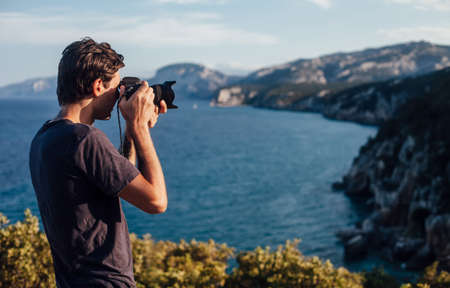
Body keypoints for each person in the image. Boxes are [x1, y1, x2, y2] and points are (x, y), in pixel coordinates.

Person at [29, 37, 168, 287]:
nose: (118, 97)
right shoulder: (85, 140)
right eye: (116, 89)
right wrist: (140, 128)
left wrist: (131, 129)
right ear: (97, 86)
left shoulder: (45, 138)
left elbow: (119, 176)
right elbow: (156, 201)